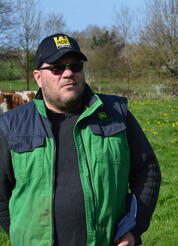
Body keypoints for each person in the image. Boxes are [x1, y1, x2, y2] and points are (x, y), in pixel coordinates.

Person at [0, 33, 161, 246]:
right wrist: (23, 233)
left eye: (75, 66)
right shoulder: (11, 125)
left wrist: (133, 228)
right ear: (38, 77)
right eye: (57, 68)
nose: (68, 73)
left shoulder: (116, 114)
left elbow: (147, 171)